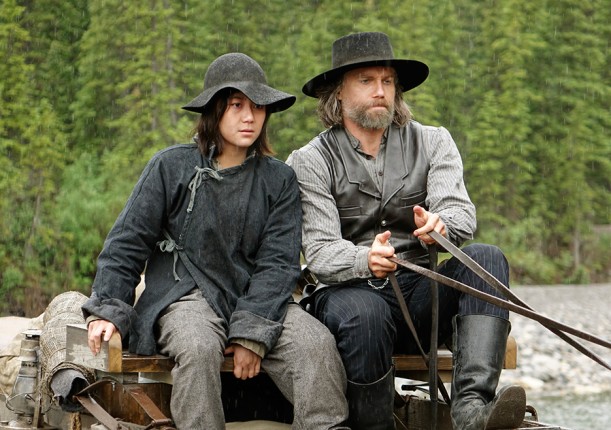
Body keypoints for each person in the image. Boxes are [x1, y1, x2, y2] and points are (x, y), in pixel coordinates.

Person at [82, 52, 349, 430]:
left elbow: (278, 263)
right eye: (237, 105)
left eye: (258, 107)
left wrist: (252, 335)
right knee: (198, 347)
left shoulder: (279, 180)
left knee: (315, 345)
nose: (249, 117)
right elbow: (128, 242)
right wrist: (108, 309)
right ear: (214, 110)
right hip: (185, 294)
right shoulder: (170, 166)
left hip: (257, 298)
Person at [287, 32, 526, 430]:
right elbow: (321, 253)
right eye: (366, 80)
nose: (380, 91)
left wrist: (440, 225)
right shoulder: (310, 160)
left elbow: (460, 211)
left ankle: (472, 412)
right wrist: (364, 259)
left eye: (387, 81)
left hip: (420, 298)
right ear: (339, 92)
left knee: (486, 259)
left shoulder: (434, 141)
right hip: (348, 301)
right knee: (365, 311)